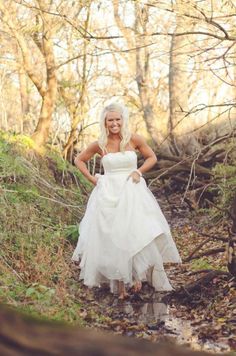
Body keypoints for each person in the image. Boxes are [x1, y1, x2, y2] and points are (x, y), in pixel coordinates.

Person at [72, 103, 181, 299]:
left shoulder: (134, 138)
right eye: (110, 120)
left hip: (132, 189)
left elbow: (151, 157)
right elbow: (79, 160)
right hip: (108, 193)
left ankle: (136, 275)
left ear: (123, 120)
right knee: (113, 236)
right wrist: (93, 179)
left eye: (117, 119)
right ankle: (121, 287)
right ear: (105, 122)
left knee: (134, 232)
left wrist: (138, 171)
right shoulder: (100, 144)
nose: (114, 123)